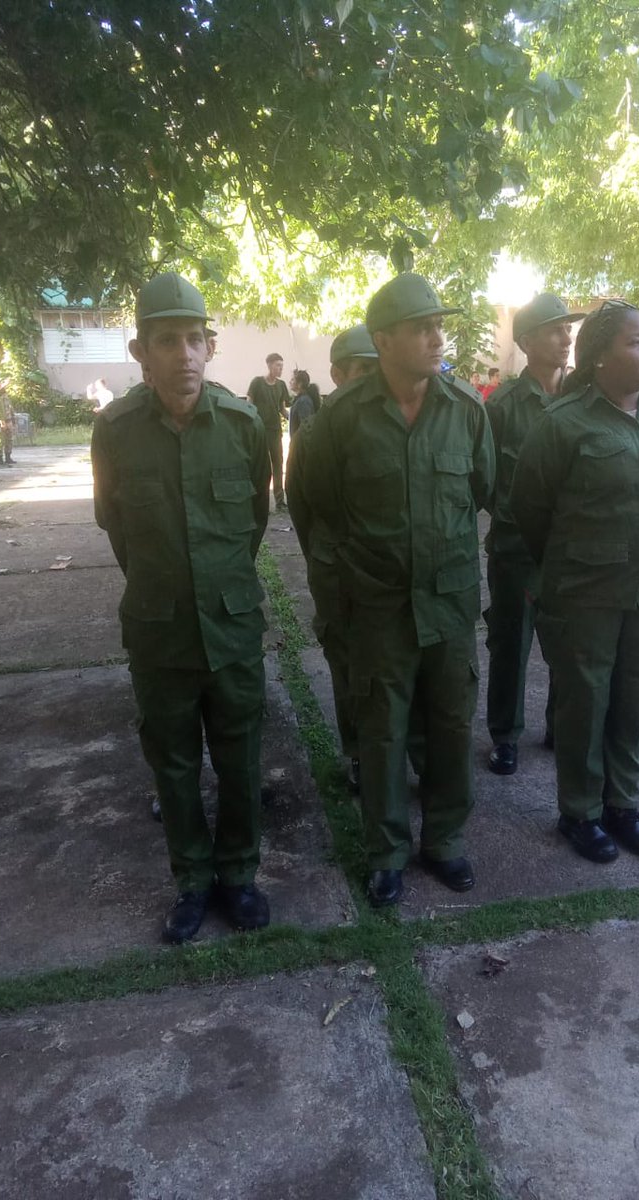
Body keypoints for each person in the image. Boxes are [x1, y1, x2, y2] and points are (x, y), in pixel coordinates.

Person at [300, 274, 495, 906]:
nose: (438, 338)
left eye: (440, 325)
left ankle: (445, 840)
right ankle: (385, 851)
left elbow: (486, 491)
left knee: (450, 722)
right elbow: (318, 506)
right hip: (379, 604)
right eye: (422, 328)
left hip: (449, 601)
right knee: (382, 730)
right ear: (384, 340)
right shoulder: (343, 418)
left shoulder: (465, 408)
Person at [92, 271, 272, 944]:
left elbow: (254, 520)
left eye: (195, 339)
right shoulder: (114, 431)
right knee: (172, 761)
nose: (184, 354)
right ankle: (193, 881)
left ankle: (239, 876)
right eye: (167, 341)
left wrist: (217, 584)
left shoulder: (245, 425)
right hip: (159, 628)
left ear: (211, 345)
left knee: (241, 754)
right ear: (142, 353)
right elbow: (116, 526)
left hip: (230, 626)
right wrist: (164, 585)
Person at [510, 300, 639, 864]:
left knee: (635, 699)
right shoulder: (563, 423)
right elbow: (529, 510)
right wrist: (558, 571)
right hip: (584, 587)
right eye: (635, 342)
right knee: (586, 701)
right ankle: (580, 812)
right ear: (601, 355)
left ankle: (622, 805)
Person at [483, 292, 586, 776]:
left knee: (571, 646)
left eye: (568, 329)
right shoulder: (502, 406)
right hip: (516, 550)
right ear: (525, 341)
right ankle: (505, 735)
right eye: (554, 329)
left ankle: (559, 727)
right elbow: (483, 480)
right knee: (510, 645)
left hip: (572, 551)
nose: (566, 338)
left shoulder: (586, 398)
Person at [287, 325, 380, 791]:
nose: (371, 379)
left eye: (377, 368)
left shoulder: (394, 427)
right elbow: (301, 510)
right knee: (347, 667)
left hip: (387, 575)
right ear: (338, 374)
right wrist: (323, 561)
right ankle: (360, 754)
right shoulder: (311, 434)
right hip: (337, 573)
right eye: (362, 369)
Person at [247, 353, 290, 508]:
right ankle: (260, 499)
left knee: (278, 463)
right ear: (269, 365)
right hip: (259, 431)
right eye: (278, 365)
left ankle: (279, 499)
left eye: (282, 365)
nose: (281, 368)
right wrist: (250, 421)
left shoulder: (281, 385)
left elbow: (282, 409)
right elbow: (249, 403)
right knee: (261, 465)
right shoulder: (257, 383)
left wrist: (295, 418)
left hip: (275, 430)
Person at [288, 368, 321, 438]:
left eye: (292, 379)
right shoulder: (299, 400)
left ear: (300, 384)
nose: (289, 382)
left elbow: (306, 429)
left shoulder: (303, 402)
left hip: (301, 446)